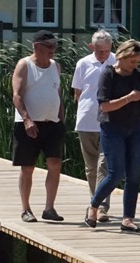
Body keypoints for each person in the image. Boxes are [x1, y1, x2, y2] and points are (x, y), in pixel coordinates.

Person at [86, 39, 140, 233]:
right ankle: (93, 206)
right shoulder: (107, 74)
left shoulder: (138, 75)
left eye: (138, 62)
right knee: (115, 174)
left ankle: (128, 219)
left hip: (136, 128)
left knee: (134, 175)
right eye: (132, 61)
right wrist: (128, 98)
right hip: (112, 129)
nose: (135, 65)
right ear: (122, 56)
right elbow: (105, 106)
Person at [12, 30, 65, 222]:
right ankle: (26, 209)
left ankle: (49, 208)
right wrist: (27, 120)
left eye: (55, 46)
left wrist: (61, 119)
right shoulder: (24, 65)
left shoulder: (55, 66)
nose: (53, 50)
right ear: (36, 47)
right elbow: (17, 95)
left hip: (52, 124)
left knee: (55, 164)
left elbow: (57, 94)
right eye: (49, 46)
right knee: (28, 167)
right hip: (28, 125)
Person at [72, 29, 116, 222]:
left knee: (104, 165)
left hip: (109, 121)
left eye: (106, 50)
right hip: (86, 121)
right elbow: (77, 92)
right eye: (99, 51)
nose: (103, 54)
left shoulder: (116, 62)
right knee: (91, 167)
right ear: (92, 47)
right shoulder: (82, 63)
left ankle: (102, 206)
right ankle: (94, 202)